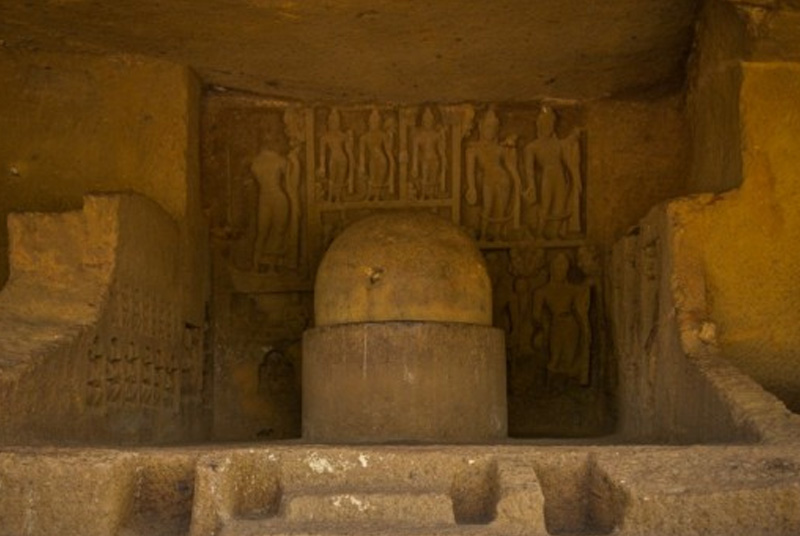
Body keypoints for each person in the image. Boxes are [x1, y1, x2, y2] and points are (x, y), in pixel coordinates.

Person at [465, 108, 524, 241]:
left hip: (504, 179)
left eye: (493, 128)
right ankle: (484, 235)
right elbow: (470, 172)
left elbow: (510, 166)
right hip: (488, 180)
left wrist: (518, 181)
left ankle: (498, 235)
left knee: (501, 209)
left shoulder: (500, 148)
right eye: (487, 127)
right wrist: (471, 187)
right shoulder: (473, 149)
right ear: (480, 127)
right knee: (488, 207)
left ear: (497, 129)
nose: (490, 131)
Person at [533, 253, 591, 386]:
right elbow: (536, 315)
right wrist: (543, 327)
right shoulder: (542, 291)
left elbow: (583, 299)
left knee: (569, 358)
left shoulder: (573, 289)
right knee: (555, 357)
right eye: (558, 265)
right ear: (551, 267)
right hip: (556, 325)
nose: (562, 269)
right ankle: (549, 387)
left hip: (571, 325)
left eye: (565, 265)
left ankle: (566, 389)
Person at [524, 105, 582, 239]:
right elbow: (529, 170)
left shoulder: (558, 144)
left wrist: (576, 179)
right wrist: (531, 186)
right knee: (546, 204)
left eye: (551, 123)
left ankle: (555, 233)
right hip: (547, 176)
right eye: (545, 123)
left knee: (560, 205)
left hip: (560, 175)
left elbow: (568, 157)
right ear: (539, 125)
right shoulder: (533, 147)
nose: (548, 127)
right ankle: (540, 232)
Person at [317, 109, 354, 202]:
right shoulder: (325, 137)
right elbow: (322, 154)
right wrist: (322, 167)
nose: (334, 123)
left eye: (336, 121)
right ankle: (330, 198)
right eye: (332, 121)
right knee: (332, 179)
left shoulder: (342, 135)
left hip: (343, 160)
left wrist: (352, 164)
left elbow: (349, 151)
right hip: (333, 159)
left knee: (340, 181)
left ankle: (337, 199)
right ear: (329, 122)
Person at [359, 108, 395, 201]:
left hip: (382, 160)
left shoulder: (382, 135)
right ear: (369, 122)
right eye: (372, 121)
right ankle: (370, 195)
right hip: (372, 160)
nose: (374, 123)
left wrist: (392, 162)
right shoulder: (365, 137)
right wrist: (362, 165)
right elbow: (362, 153)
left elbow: (388, 151)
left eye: (376, 121)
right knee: (372, 177)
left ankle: (377, 197)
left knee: (379, 179)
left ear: (379, 123)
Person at [411, 107, 447, 199]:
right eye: (426, 118)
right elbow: (415, 153)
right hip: (424, 160)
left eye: (430, 118)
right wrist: (414, 166)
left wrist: (444, 159)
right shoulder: (418, 136)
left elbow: (441, 150)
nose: (428, 120)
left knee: (433, 180)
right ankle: (423, 195)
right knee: (424, 178)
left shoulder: (436, 135)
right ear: (422, 120)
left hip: (435, 160)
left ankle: (431, 197)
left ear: (433, 120)